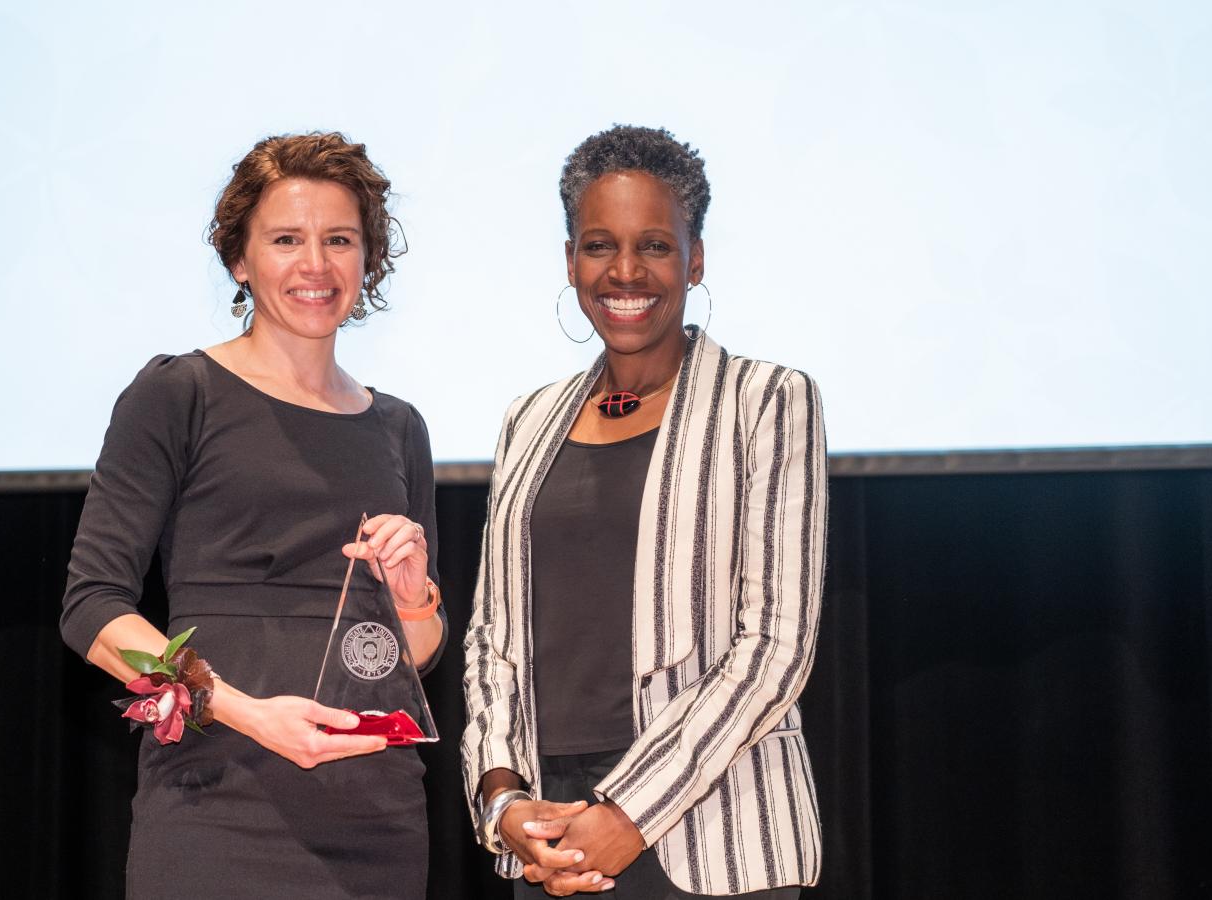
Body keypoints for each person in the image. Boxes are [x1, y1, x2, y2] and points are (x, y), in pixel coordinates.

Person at [60, 132, 446, 900]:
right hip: (218, 799)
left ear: (369, 260)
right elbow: (92, 611)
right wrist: (242, 711)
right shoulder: (179, 395)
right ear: (240, 259)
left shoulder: (399, 426)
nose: (316, 265)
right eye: (285, 240)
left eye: (340, 240)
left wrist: (413, 595)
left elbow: (420, 654)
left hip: (377, 818)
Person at [461, 125, 827, 898]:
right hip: (552, 836)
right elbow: (493, 637)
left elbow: (776, 647)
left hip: (712, 834)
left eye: (655, 246)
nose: (626, 271)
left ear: (695, 258)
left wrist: (627, 810)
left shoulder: (766, 401)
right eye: (600, 246)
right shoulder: (528, 420)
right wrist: (503, 798)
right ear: (570, 261)